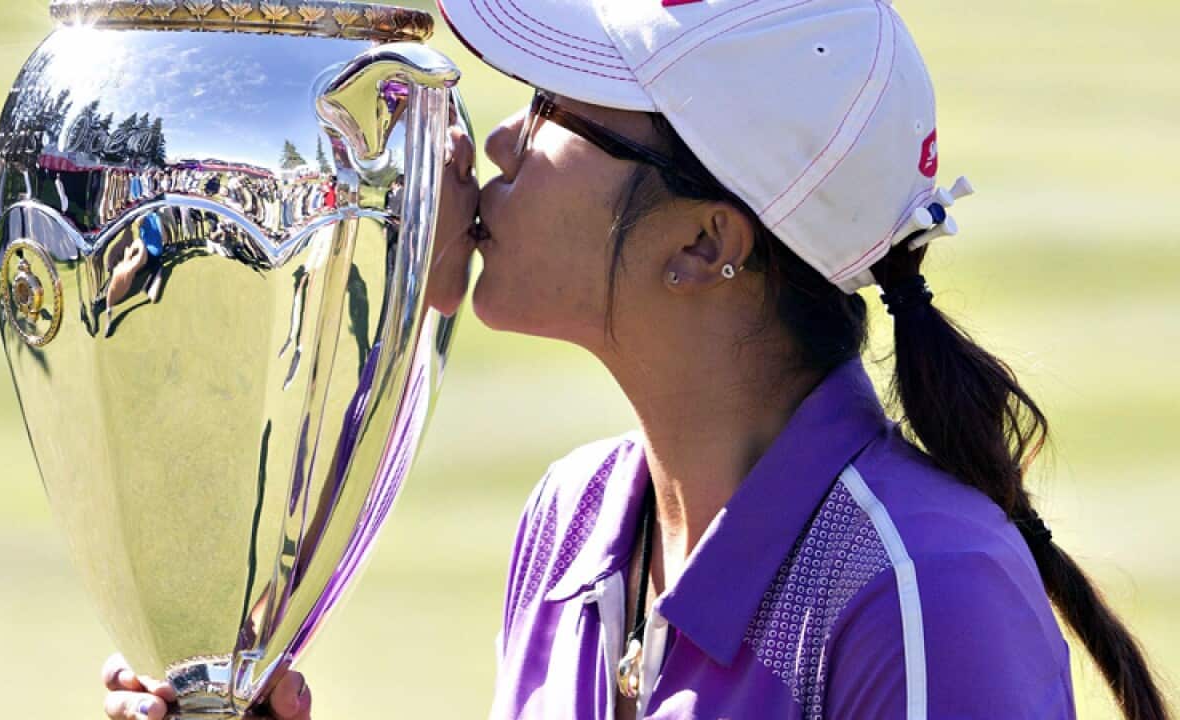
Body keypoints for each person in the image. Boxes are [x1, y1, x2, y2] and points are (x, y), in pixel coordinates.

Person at [105, 1, 1171, 718]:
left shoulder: (923, 590)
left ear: (707, 243)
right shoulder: (570, 522)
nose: (503, 143)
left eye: (556, 111)